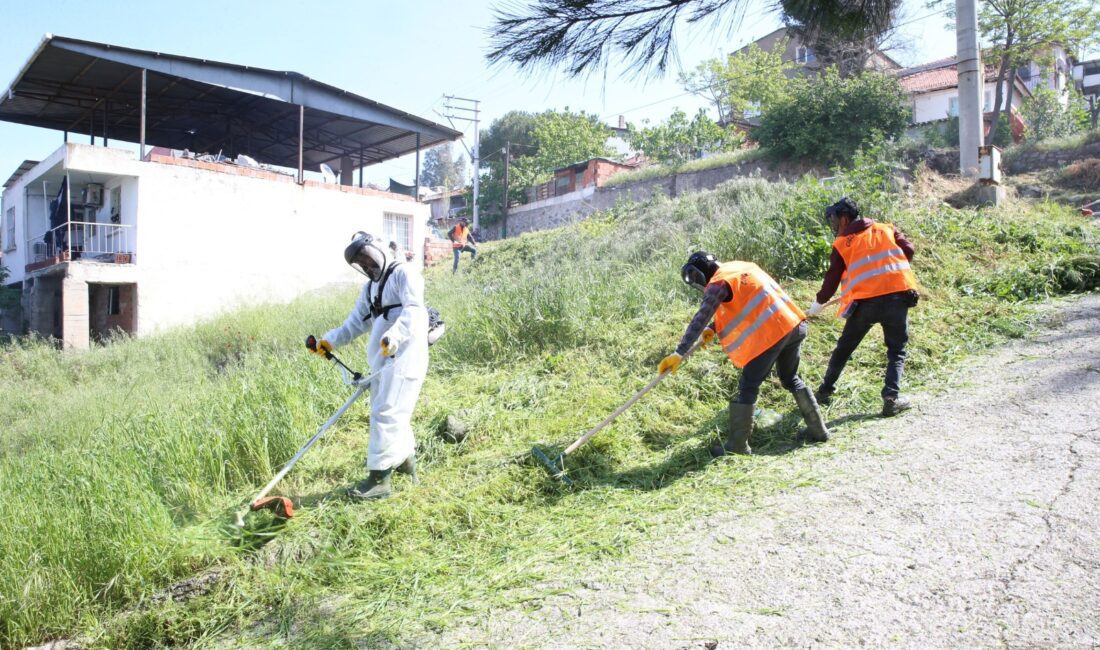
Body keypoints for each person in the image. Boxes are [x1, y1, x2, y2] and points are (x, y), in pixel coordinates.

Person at [659, 252, 829, 456]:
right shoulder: (742, 268)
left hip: (772, 335)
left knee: (748, 386)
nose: (699, 283)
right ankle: (818, 430)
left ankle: (738, 445)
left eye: (696, 277)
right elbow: (747, 305)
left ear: (703, 271)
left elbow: (701, 316)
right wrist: (713, 328)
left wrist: (679, 352)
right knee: (790, 378)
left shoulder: (718, 282)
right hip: (793, 325)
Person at [310, 232, 430, 500]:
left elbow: (414, 311)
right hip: (383, 358)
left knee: (386, 412)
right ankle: (407, 463)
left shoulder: (404, 274)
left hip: (406, 354)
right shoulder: (370, 289)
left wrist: (395, 336)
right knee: (393, 411)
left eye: (367, 257)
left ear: (379, 249)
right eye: (361, 263)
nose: (366, 265)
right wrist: (328, 342)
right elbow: (355, 323)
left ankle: (379, 481)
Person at [806, 197, 919, 417]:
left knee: (844, 349)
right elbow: (909, 250)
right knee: (896, 351)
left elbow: (832, 279)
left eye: (834, 220)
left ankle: (824, 391)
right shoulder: (886, 229)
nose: (833, 225)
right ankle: (891, 399)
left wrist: (818, 303)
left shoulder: (842, 244)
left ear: (845, 218)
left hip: (864, 304)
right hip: (896, 298)